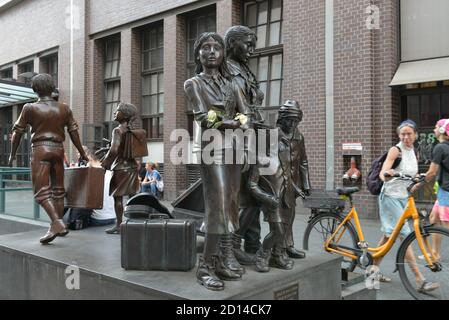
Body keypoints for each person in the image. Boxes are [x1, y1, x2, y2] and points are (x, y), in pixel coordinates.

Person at [184, 32, 248, 291]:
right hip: (211, 150)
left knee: (232, 205)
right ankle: (205, 266)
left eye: (217, 48)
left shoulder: (233, 84)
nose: (211, 52)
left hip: (234, 150)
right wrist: (232, 122)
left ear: (223, 54)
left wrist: (237, 123)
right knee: (217, 205)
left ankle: (223, 258)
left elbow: (248, 114)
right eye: (205, 48)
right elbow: (203, 117)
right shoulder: (193, 84)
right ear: (198, 54)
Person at [8, 73, 88, 244]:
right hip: (58, 149)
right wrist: (81, 152)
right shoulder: (64, 108)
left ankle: (58, 223)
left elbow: (17, 133)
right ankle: (54, 226)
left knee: (41, 191)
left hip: (40, 149)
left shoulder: (30, 108)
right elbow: (74, 132)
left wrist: (12, 153)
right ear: (52, 88)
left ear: (35, 89)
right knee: (58, 191)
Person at [374, 120, 439, 292]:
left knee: (389, 235)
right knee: (405, 234)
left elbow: (412, 176)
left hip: (404, 197)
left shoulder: (414, 152)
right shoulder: (396, 150)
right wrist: (387, 174)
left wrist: (419, 180)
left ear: (415, 135)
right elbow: (383, 172)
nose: (405, 136)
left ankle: (372, 270)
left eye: (409, 133)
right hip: (390, 197)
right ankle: (419, 279)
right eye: (402, 133)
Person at [224, 26, 265, 264]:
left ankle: (253, 242)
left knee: (254, 192)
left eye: (253, 45)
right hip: (238, 139)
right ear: (231, 44)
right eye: (247, 44)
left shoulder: (245, 70)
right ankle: (234, 242)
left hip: (254, 135)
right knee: (245, 196)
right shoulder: (227, 69)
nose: (252, 50)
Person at [101, 103, 140, 235]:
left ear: (125, 115)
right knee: (132, 196)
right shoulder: (133, 130)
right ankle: (134, 224)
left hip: (121, 168)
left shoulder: (117, 130)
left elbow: (114, 150)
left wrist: (105, 164)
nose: (114, 113)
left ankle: (119, 225)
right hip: (133, 167)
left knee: (118, 198)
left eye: (117, 111)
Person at [420, 119, 449, 261]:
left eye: (436, 127)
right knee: (433, 218)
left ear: (443, 130)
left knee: (446, 225)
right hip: (444, 191)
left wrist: (417, 183)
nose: (434, 130)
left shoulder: (440, 147)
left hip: (446, 191)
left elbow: (431, 172)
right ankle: (434, 253)